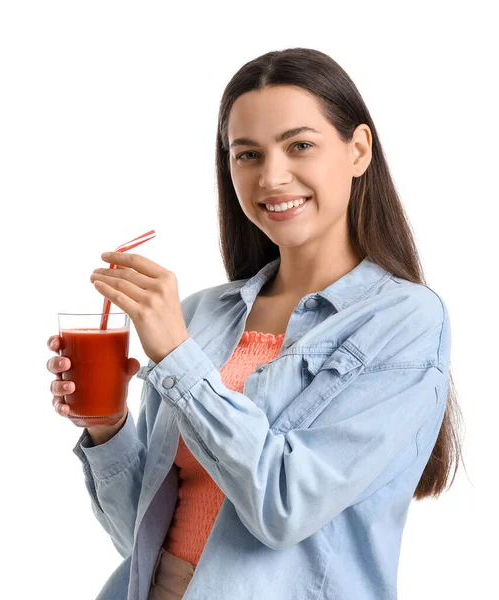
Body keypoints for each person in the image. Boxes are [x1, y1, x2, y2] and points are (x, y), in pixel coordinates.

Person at [47, 47, 464, 600]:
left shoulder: (404, 321)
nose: (272, 176)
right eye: (247, 154)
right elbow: (141, 541)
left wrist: (179, 359)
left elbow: (285, 508)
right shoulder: (201, 314)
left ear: (358, 149)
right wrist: (108, 427)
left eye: (300, 146)